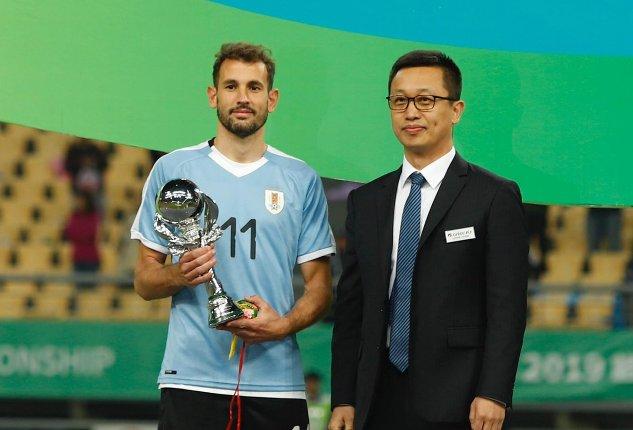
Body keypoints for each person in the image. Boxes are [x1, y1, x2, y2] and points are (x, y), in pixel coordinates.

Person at [132, 42, 335, 430]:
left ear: (272, 99)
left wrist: (283, 325)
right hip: (191, 379)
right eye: (231, 86)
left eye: (254, 87)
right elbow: (144, 280)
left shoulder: (300, 179)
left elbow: (320, 288)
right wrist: (179, 274)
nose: (242, 97)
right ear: (213, 95)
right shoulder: (172, 170)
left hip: (277, 384)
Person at [329, 51, 528, 430]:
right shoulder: (366, 200)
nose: (411, 112)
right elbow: (352, 308)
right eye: (399, 100)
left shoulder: (493, 196)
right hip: (376, 395)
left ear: (456, 110)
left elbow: (508, 308)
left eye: (425, 100)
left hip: (461, 396)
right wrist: (343, 397)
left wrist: (494, 392)